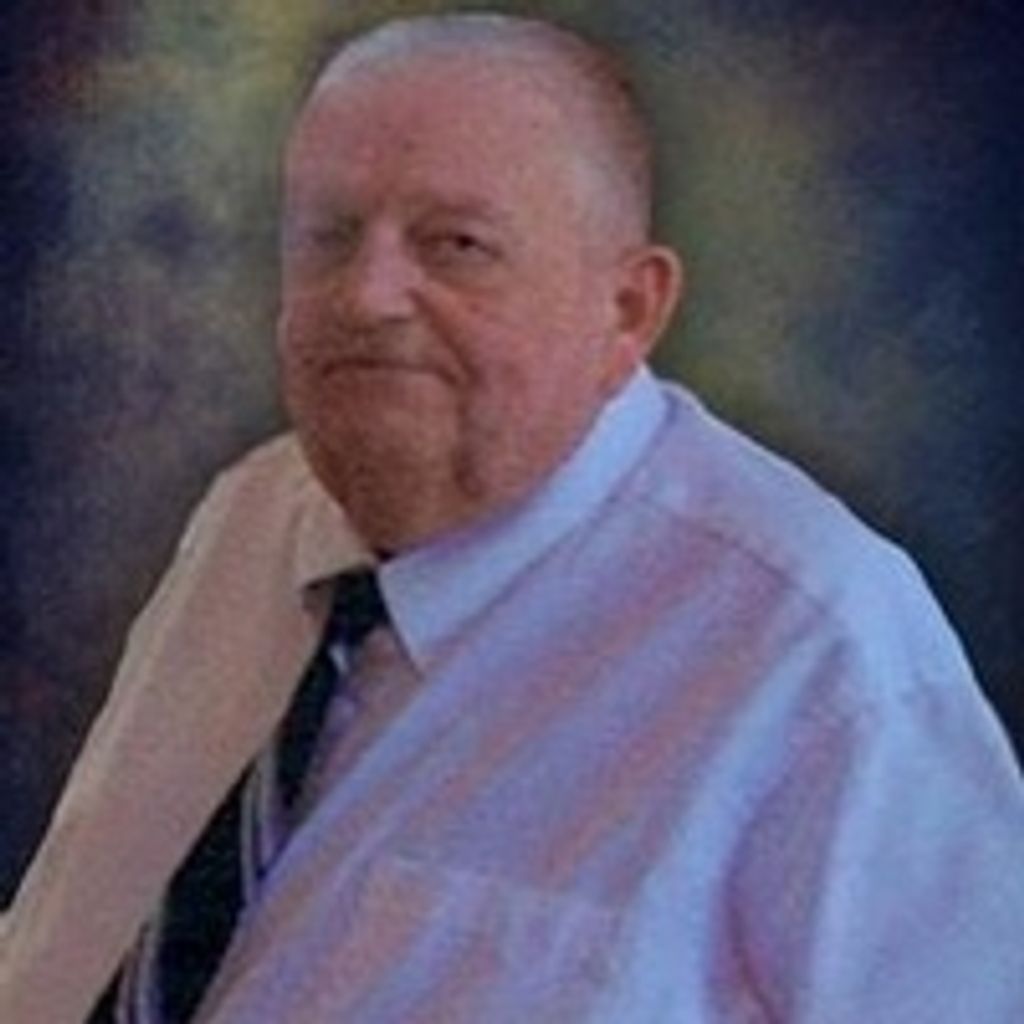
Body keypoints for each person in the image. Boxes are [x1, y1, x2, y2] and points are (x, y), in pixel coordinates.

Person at [2, 13, 1023, 1023]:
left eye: (456, 244)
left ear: (627, 309)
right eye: (328, 236)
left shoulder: (819, 650)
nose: (367, 294)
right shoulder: (254, 516)